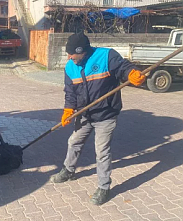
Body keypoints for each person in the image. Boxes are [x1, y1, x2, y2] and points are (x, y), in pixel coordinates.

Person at [51, 32, 146, 205]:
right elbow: (70, 92)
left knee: (101, 152)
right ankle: (68, 170)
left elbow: (123, 68)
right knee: (74, 141)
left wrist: (132, 73)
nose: (70, 57)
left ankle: (104, 187)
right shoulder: (70, 67)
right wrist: (68, 110)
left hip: (106, 114)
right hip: (84, 114)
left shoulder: (106, 56)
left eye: (73, 53)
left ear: (83, 51)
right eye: (69, 53)